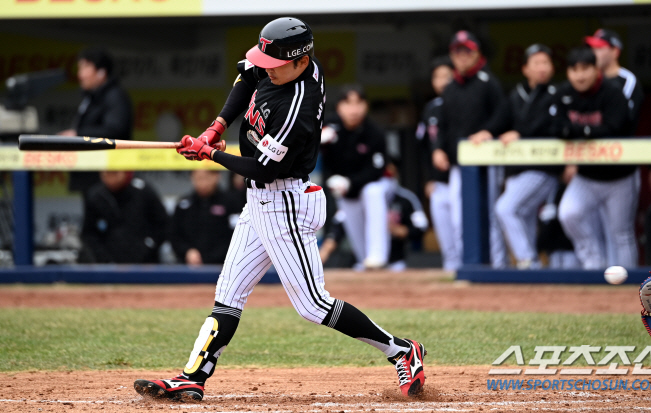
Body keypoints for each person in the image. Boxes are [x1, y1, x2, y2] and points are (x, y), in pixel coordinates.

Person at [133, 17, 426, 401]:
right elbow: (246, 77)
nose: (266, 70)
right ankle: (193, 376)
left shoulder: (298, 108)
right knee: (228, 293)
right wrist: (215, 128)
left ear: (301, 63)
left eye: (275, 66)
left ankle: (403, 351)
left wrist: (213, 154)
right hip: (260, 200)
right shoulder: (283, 64)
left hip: (285, 201)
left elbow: (261, 168)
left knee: (312, 305)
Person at [553, 47, 637, 270]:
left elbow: (615, 128)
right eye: (574, 70)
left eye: (585, 69)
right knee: (568, 214)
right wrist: (587, 131)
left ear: (595, 69)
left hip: (619, 176)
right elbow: (556, 128)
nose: (579, 75)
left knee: (621, 232)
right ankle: (594, 263)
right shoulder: (563, 93)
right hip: (586, 175)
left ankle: (630, 284)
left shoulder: (612, 91)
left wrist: (579, 131)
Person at [432, 30, 507, 268]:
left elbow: (504, 115)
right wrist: (438, 149)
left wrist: (489, 131)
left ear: (477, 54)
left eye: (467, 51)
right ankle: (469, 266)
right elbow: (441, 125)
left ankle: (497, 265)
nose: (462, 56)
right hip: (459, 164)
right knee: (459, 218)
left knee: (490, 215)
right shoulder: (451, 86)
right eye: (458, 52)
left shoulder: (488, 82)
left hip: (487, 162)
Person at [492, 44, 561, 269]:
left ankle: (528, 260)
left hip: (542, 167)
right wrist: (487, 131)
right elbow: (500, 121)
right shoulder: (516, 94)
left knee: (505, 208)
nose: (542, 68)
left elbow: (549, 126)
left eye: (546, 63)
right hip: (516, 168)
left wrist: (521, 133)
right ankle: (532, 275)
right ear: (525, 68)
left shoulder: (556, 94)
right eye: (536, 63)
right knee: (524, 216)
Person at [321, 85, 392, 270]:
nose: (354, 109)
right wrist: (314, 140)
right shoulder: (328, 125)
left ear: (366, 106)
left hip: (375, 184)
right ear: (339, 107)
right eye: (348, 103)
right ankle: (367, 262)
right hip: (346, 192)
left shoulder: (374, 133)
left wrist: (351, 182)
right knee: (359, 245)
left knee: (372, 192)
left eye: (359, 103)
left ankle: (378, 255)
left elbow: (376, 171)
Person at [59, 48, 133, 196]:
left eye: (85, 68)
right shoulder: (91, 98)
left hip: (109, 175)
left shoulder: (115, 96)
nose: (80, 75)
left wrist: (77, 135)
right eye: (79, 68)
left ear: (101, 72)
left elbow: (115, 131)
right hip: (90, 174)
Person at [320, 182, 429, 271]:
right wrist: (320, 258)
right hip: (363, 263)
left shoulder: (404, 198)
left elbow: (421, 227)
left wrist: (396, 230)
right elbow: (335, 232)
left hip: (395, 264)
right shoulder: (357, 200)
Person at [416, 56, 461, 271]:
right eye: (437, 77)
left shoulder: (462, 103)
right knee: (443, 226)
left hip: (460, 174)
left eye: (447, 76)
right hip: (439, 180)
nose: (442, 81)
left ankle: (465, 266)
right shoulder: (431, 108)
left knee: (460, 224)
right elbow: (424, 148)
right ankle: (451, 267)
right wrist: (429, 178)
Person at [80, 171, 168, 263]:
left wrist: (148, 246)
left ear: (125, 173)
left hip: (144, 264)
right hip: (109, 265)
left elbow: (162, 224)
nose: (109, 177)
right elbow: (89, 234)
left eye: (114, 173)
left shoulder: (143, 190)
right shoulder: (96, 195)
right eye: (106, 173)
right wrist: (104, 258)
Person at [171, 170, 240, 265]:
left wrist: (212, 257)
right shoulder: (183, 204)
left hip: (223, 265)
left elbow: (237, 235)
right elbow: (174, 234)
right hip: (189, 266)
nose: (203, 183)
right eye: (199, 178)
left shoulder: (230, 203)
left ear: (217, 177)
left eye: (207, 178)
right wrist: (187, 251)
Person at [585, 29, 644, 133]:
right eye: (592, 49)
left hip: (621, 145)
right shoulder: (588, 78)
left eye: (599, 48)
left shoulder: (628, 80)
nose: (593, 54)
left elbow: (623, 118)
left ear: (615, 52)